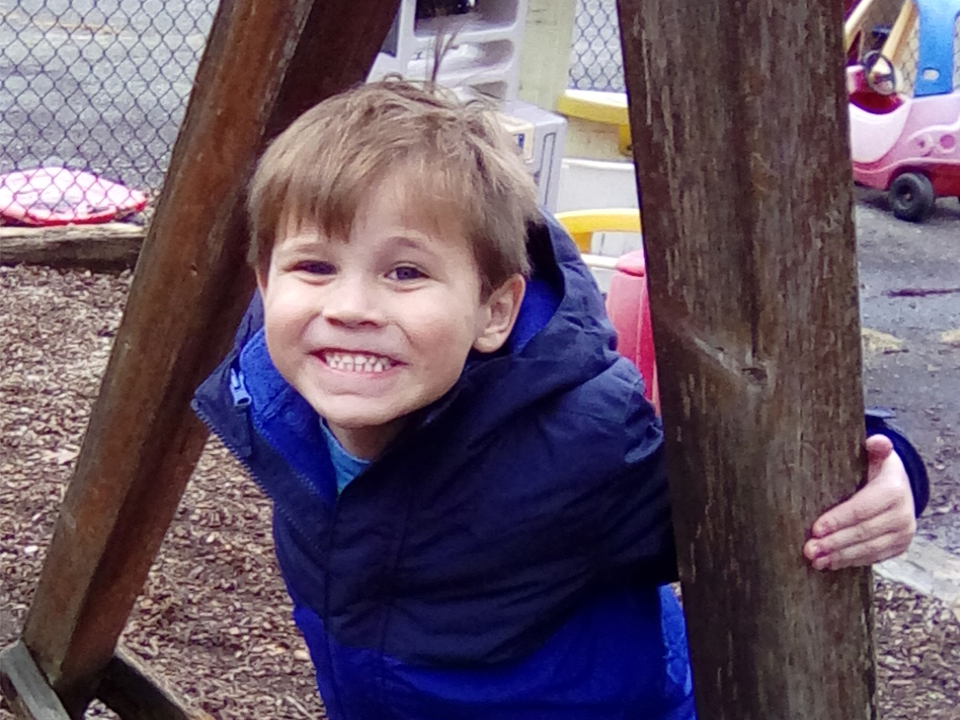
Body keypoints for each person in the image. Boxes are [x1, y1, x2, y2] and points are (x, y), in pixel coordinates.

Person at [192, 79, 928, 719]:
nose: (351, 306)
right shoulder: (274, 404)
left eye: (406, 273)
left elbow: (771, 484)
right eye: (316, 266)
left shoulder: (573, 448)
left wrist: (883, 477)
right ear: (266, 284)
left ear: (493, 312)